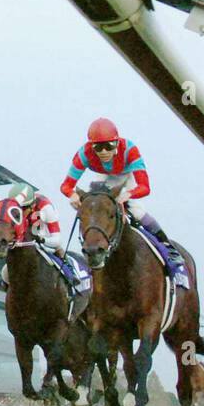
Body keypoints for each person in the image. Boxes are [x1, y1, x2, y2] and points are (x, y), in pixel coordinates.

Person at [59, 118, 187, 286]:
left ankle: (168, 249)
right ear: (91, 147)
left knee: (136, 211)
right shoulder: (83, 154)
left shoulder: (130, 150)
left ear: (117, 143)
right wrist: (72, 195)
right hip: (106, 176)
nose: (104, 151)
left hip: (128, 176)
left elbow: (145, 187)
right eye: (98, 147)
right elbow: (66, 185)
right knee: (98, 208)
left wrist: (128, 194)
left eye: (109, 146)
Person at [2, 182, 85, 294]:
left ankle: (71, 273)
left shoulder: (46, 208)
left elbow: (57, 239)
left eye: (23, 208)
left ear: (31, 206)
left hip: (45, 236)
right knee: (6, 270)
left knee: (56, 250)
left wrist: (42, 240)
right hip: (25, 241)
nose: (20, 212)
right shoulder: (11, 212)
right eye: (17, 208)